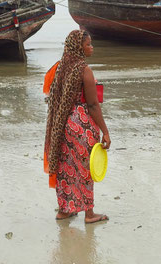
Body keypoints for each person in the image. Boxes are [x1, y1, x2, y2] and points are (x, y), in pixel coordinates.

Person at [44, 30, 111, 224]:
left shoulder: (60, 68)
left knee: (66, 166)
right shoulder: (84, 69)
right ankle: (89, 215)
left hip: (63, 124)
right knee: (86, 167)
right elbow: (92, 104)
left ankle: (64, 210)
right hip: (81, 124)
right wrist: (105, 132)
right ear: (78, 47)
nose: (91, 47)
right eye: (88, 44)